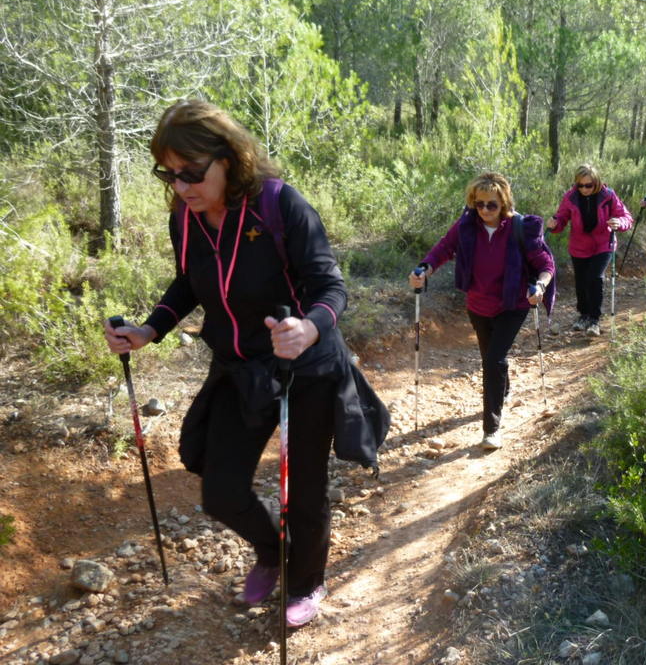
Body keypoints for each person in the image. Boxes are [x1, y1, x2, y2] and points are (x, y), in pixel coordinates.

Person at [103, 99, 380, 628]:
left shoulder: (280, 205)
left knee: (304, 490)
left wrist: (309, 327)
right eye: (169, 174)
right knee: (222, 491)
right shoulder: (184, 219)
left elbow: (330, 286)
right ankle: (272, 550)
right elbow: (189, 282)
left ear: (228, 158)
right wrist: (148, 330)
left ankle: (306, 582)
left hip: (306, 366)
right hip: (240, 366)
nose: (182, 186)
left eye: (192, 172)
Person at [409, 173, 555, 450]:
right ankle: (504, 389)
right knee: (491, 357)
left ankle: (492, 429)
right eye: (480, 204)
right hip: (478, 304)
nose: (485, 210)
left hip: (513, 304)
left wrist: (540, 285)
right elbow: (444, 248)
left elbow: (546, 264)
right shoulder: (466, 225)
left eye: (492, 205)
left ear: (504, 203)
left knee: (493, 361)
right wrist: (424, 269)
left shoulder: (521, 227)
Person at [545, 164, 632, 336]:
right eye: (580, 185)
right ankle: (583, 315)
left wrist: (619, 223)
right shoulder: (570, 197)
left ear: (597, 182)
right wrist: (554, 223)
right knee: (581, 282)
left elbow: (626, 217)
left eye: (588, 185)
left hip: (603, 243)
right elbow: (561, 217)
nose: (584, 189)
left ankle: (594, 319)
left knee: (595, 277)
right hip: (579, 245)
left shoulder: (608, 196)